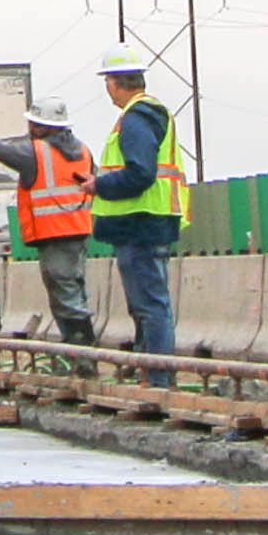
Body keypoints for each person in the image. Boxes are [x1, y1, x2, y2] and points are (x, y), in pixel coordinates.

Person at [0, 107, 103, 344]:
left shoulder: (37, 152)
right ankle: (80, 351)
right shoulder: (82, 149)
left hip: (55, 231)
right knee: (73, 291)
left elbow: (4, 150)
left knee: (65, 295)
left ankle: (82, 357)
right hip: (76, 228)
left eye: (36, 124)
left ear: (50, 127)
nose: (30, 129)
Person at [82, 53, 191, 356]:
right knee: (148, 303)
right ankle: (152, 371)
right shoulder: (150, 114)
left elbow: (140, 173)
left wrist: (98, 185)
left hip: (140, 223)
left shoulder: (137, 117)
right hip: (149, 222)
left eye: (107, 81)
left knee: (149, 305)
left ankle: (158, 377)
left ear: (114, 83)